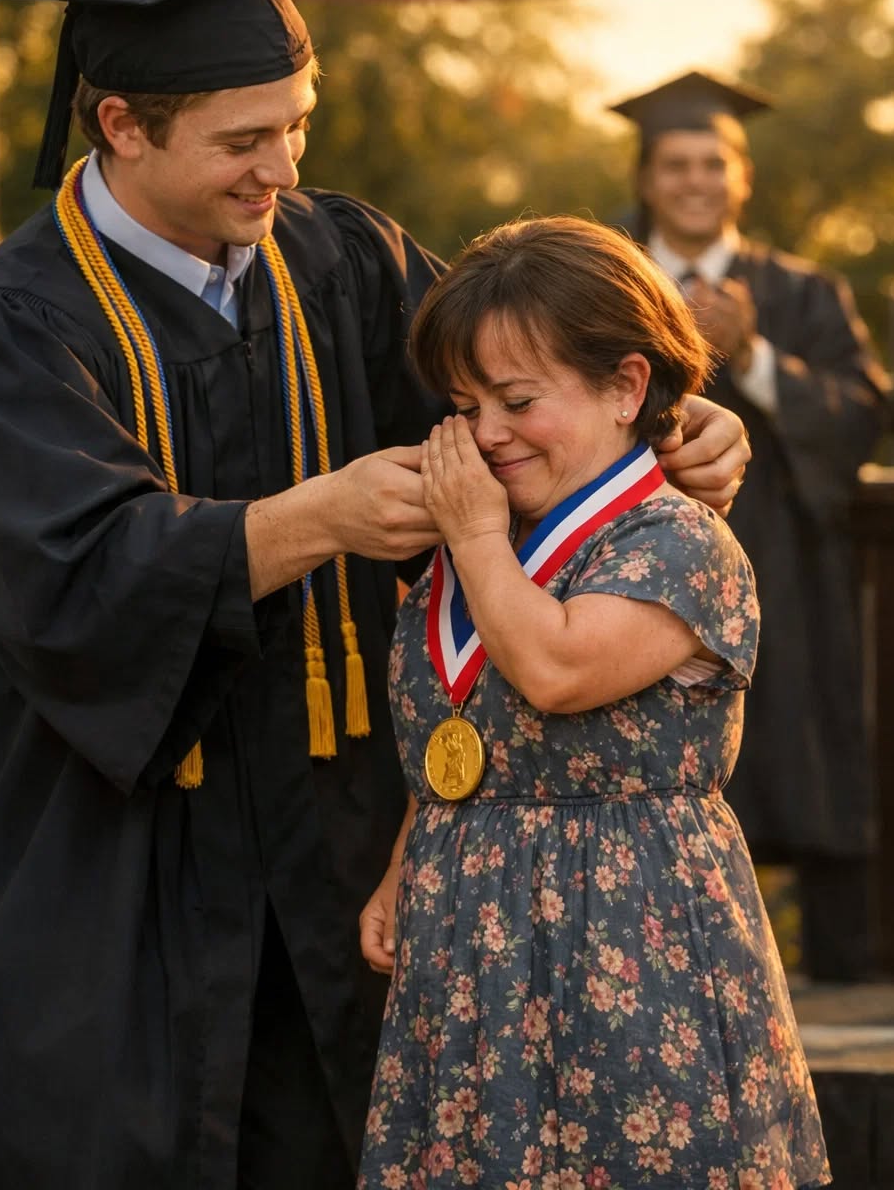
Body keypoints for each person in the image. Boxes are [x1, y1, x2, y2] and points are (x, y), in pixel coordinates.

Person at [0, 0, 749, 1190]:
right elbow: (73, 582)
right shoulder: (9, 331)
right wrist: (319, 518)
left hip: (324, 859)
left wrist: (666, 425)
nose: (280, 167)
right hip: (97, 874)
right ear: (120, 123)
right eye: (242, 139)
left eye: (296, 122)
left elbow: (523, 396)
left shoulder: (339, 258)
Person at [358, 215, 830, 1190]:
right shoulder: (485, 538)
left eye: (517, 399)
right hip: (472, 938)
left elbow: (557, 669)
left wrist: (475, 534)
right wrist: (408, 858)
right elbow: (465, 723)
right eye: (464, 402)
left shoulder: (677, 540)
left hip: (625, 938)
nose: (485, 432)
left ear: (624, 386)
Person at [611, 70, 889, 982]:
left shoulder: (802, 293)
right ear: (647, 178)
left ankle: (848, 984)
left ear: (743, 178)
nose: (696, 181)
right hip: (633, 580)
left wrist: (758, 355)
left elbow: (860, 418)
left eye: (713, 164)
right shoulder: (605, 283)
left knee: (810, 757)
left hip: (791, 579)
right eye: (676, 164)